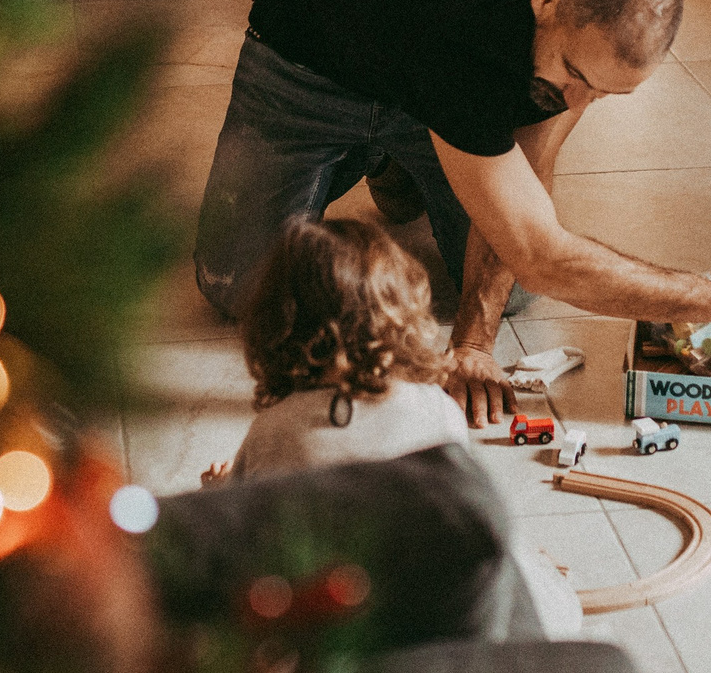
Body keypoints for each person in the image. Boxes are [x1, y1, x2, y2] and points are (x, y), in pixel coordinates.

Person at [195, 0, 711, 426]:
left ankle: (405, 158)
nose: (577, 103)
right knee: (241, 288)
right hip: (307, 63)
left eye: (604, 93)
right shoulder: (465, 28)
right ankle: (381, 155)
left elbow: (532, 180)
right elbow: (540, 253)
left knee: (509, 295)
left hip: (435, 86)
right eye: (576, 77)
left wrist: (473, 343)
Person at [214, 215, 584, 638]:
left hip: (336, 617)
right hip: (440, 609)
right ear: (399, 317)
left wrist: (220, 488)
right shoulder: (434, 406)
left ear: (273, 325)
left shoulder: (271, 430)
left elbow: (242, 527)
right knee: (517, 563)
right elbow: (463, 499)